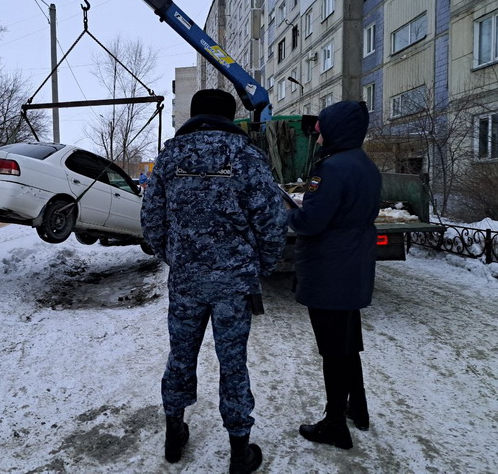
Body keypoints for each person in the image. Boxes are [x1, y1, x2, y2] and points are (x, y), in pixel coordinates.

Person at [141, 88, 287, 473]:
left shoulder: (170, 157)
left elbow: (151, 220)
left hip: (187, 281)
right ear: (229, 115)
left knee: (181, 356)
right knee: (233, 363)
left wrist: (173, 257)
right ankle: (240, 452)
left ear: (193, 114)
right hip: (234, 284)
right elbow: (272, 222)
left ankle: (174, 436)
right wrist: (261, 265)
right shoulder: (246, 156)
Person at [287, 100, 381, 450]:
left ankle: (334, 424)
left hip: (330, 271)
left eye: (322, 127)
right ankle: (358, 408)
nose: (318, 133)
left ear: (335, 129)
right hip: (353, 266)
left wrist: (289, 215)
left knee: (333, 350)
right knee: (347, 344)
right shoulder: (364, 164)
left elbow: (311, 221)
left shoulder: (332, 169)